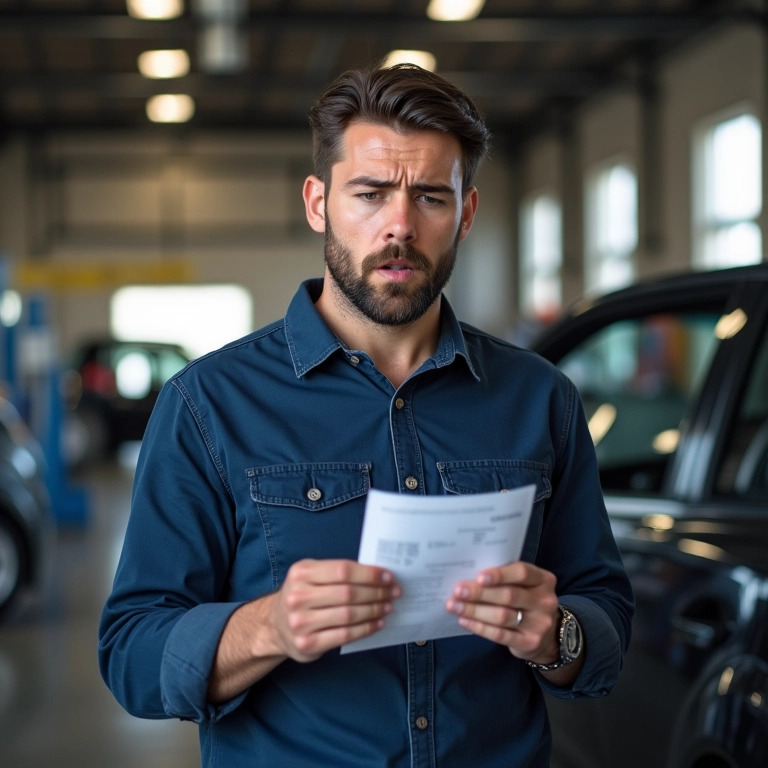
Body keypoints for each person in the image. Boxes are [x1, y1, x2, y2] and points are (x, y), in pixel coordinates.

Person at [99, 63, 634, 767]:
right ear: (318, 202)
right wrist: (269, 628)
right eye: (371, 193)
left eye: (431, 199)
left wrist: (558, 634)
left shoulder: (540, 397)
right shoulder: (209, 404)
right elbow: (133, 652)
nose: (400, 227)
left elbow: (605, 614)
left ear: (466, 212)